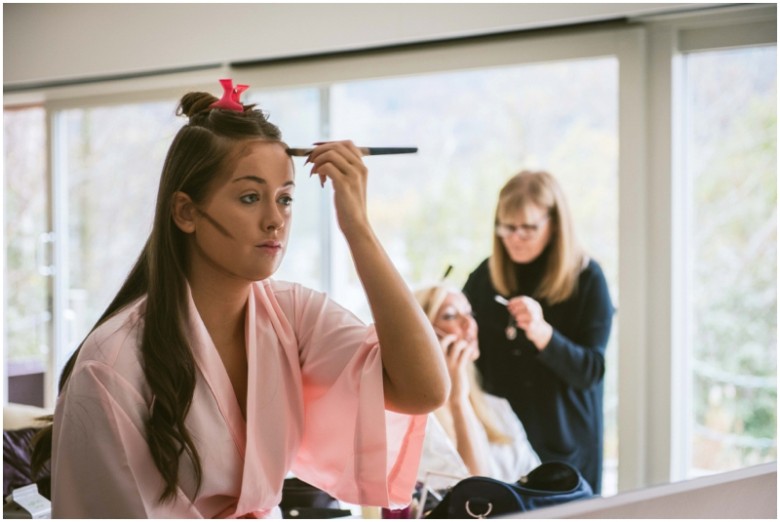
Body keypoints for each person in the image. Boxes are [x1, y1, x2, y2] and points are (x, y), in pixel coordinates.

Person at [33, 79, 449, 518]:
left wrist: (358, 229)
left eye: (285, 199)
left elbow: (423, 388)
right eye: (250, 197)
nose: (275, 220)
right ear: (186, 212)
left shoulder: (292, 315)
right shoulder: (112, 362)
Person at [462, 170, 614, 495]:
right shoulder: (484, 278)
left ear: (555, 223)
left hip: (565, 449)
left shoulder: (587, 280)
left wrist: (543, 333)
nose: (516, 237)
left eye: (529, 227)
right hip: (502, 448)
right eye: (507, 226)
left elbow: (590, 371)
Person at [413, 284, 540, 491]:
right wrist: (458, 400)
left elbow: (538, 482)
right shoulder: (419, 424)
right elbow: (475, 494)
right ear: (424, 333)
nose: (469, 323)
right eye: (450, 316)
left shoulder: (497, 407)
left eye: (469, 313)